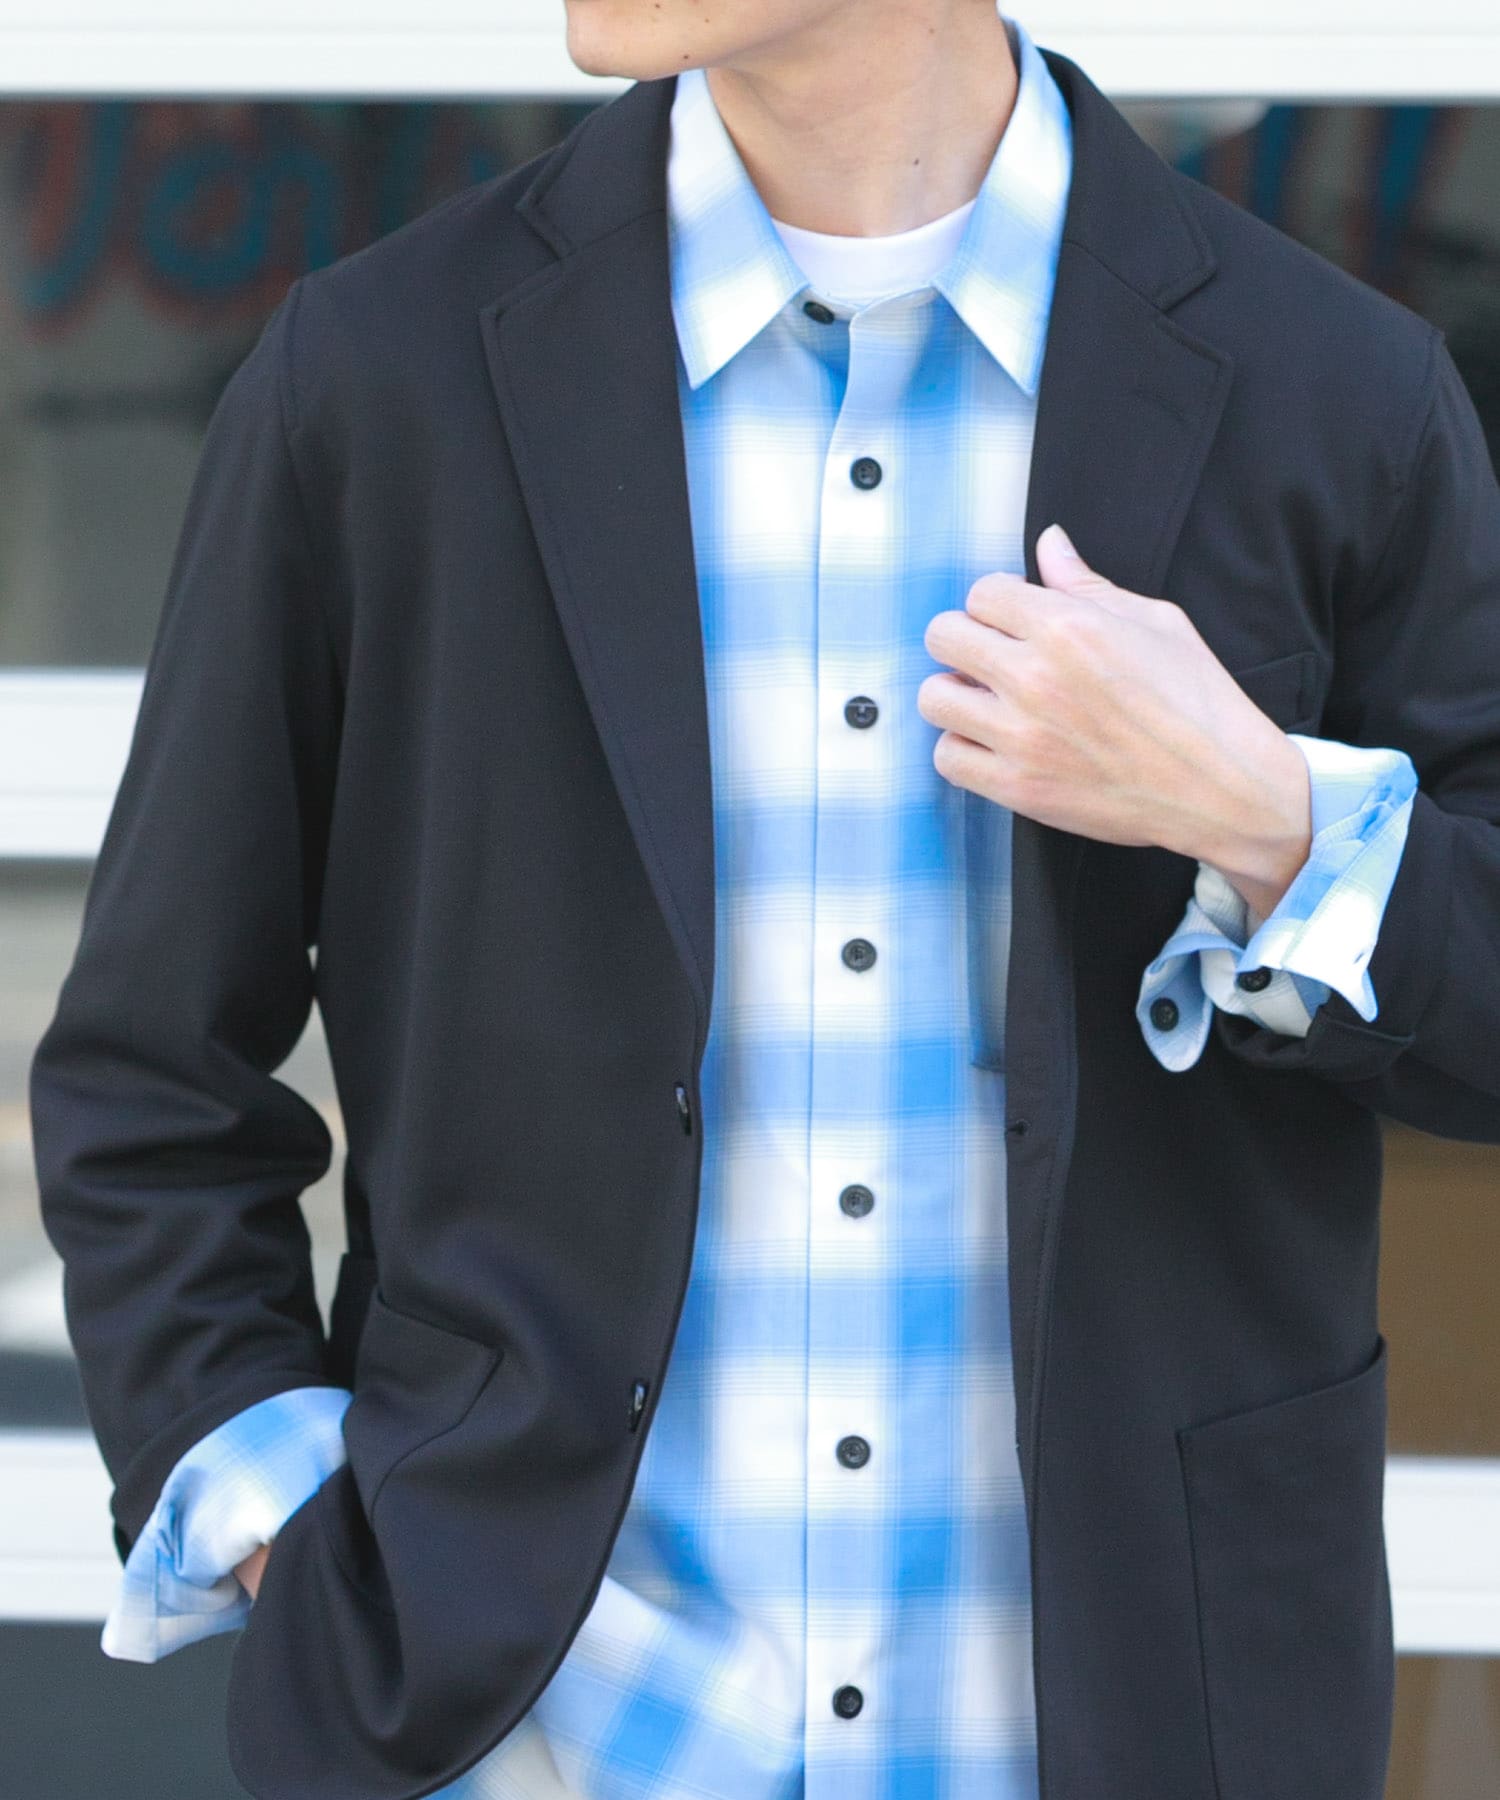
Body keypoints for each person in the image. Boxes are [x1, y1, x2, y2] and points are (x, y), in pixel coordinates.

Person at [29, 5, 1500, 1799]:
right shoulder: (377, 377)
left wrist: (1268, 820)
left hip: (1140, 1718)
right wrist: (292, 1528)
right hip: (537, 1743)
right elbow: (150, 1072)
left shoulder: (1333, 388)